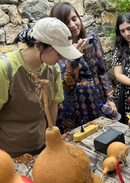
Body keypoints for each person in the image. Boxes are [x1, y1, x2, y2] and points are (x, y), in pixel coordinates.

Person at [0, 17, 82, 158]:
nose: (62, 58)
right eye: (59, 52)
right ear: (39, 46)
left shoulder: (53, 69)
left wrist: (51, 141)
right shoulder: (3, 68)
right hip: (6, 153)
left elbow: (54, 104)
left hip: (39, 147)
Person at [50, 2, 118, 133]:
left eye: (74, 19)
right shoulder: (58, 50)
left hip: (98, 105)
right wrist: (74, 58)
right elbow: (67, 86)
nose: (72, 25)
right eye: (66, 22)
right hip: (73, 112)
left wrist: (110, 98)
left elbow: (103, 71)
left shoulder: (92, 41)